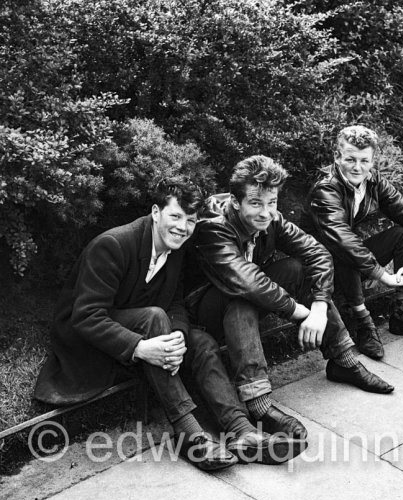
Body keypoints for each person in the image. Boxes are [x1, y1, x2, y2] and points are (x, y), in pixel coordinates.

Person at [34, 179, 299, 470]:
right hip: (90, 340)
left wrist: (178, 338)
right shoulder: (112, 245)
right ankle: (188, 432)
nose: (182, 227)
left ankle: (241, 431)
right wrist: (140, 347)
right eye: (175, 216)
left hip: (147, 330)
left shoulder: (176, 249)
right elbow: (85, 316)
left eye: (190, 221)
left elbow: (175, 303)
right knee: (153, 317)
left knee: (201, 343)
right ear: (156, 212)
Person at [190, 155, 394, 443]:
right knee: (243, 296)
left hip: (247, 298)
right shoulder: (213, 226)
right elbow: (247, 280)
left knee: (297, 269)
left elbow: (318, 253)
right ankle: (257, 402)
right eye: (256, 203)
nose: (265, 212)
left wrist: (320, 309)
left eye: (272, 202)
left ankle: (343, 361)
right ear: (236, 202)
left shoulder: (272, 218)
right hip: (203, 313)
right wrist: (301, 314)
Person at [306, 125, 403, 360]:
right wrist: (382, 275)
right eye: (350, 159)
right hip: (320, 266)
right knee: (348, 249)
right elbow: (343, 240)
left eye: (364, 160)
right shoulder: (325, 189)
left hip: (347, 256)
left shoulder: (373, 181)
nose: (357, 167)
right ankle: (362, 321)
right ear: (337, 156)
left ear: (373, 161)